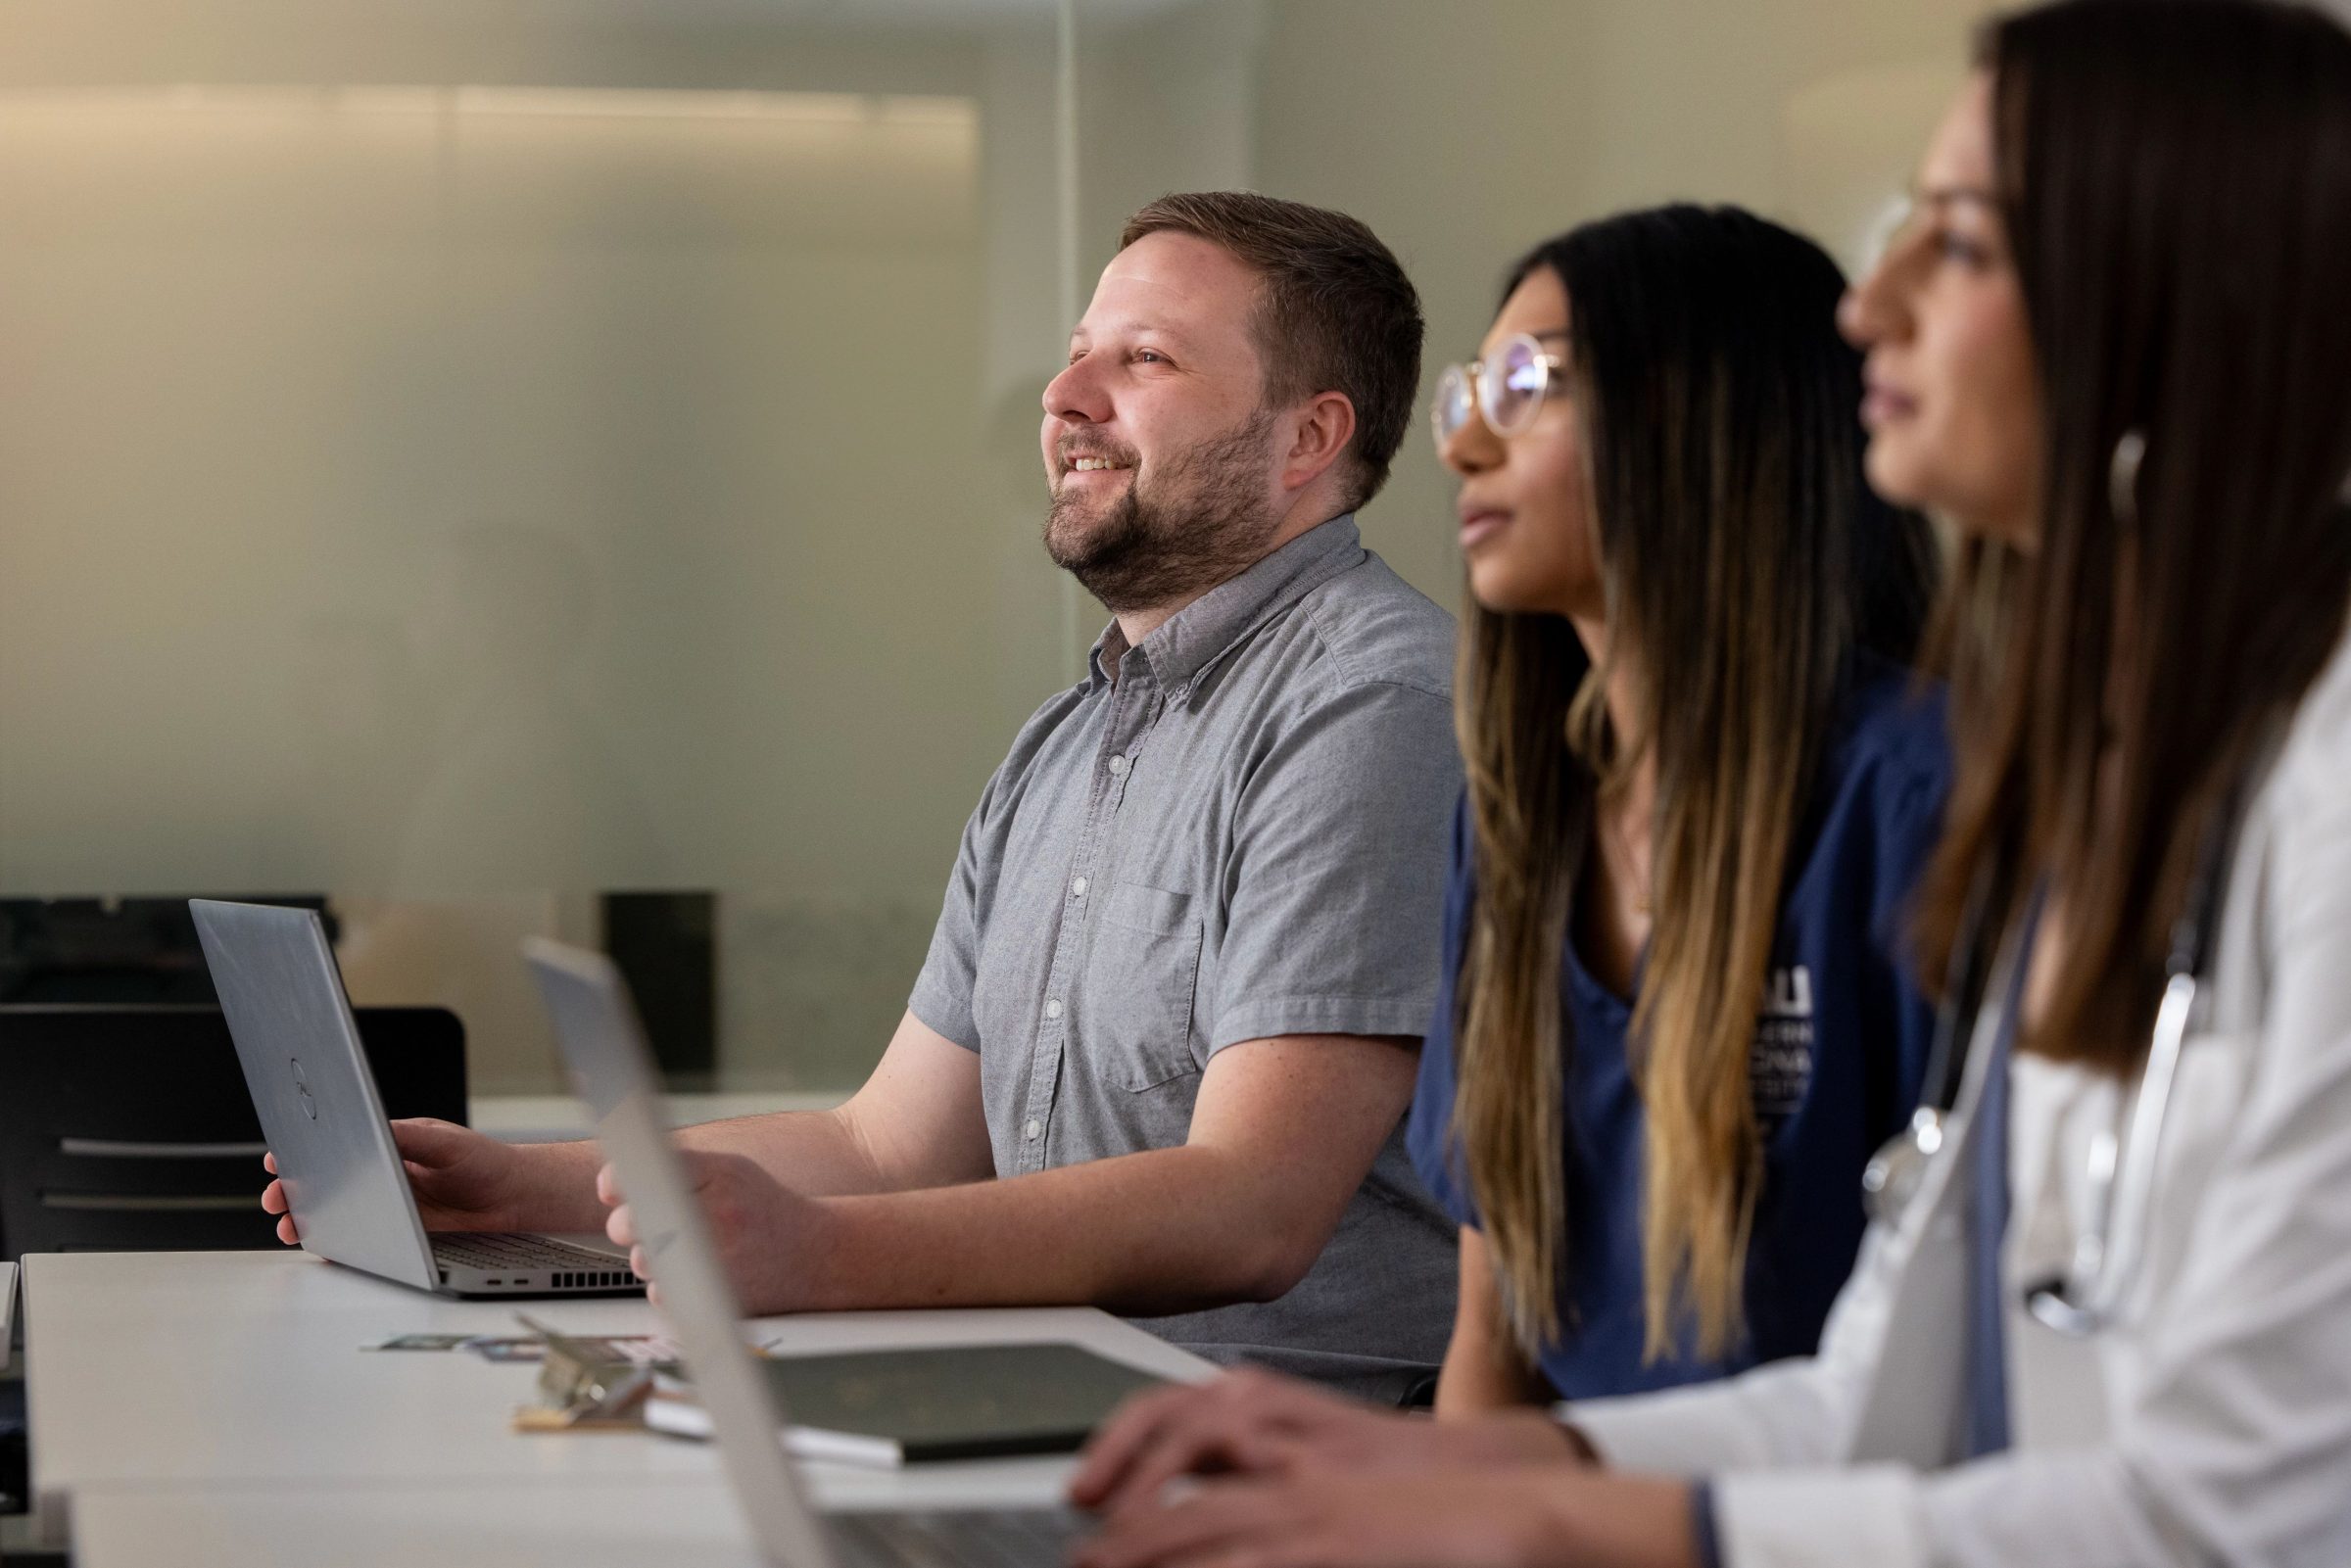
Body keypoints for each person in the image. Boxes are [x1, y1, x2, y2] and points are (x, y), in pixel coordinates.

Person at [1065, 2, 2351, 1562]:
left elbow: (2237, 1508)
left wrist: (1548, 1517)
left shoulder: (2256, 794)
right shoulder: (2115, 784)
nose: (1867, 308)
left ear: (2176, 302)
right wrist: (1444, 1476)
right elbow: (1889, 1391)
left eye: (1950, 244)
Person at [264, 192, 1465, 1400]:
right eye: (1076, 353)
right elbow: (885, 1144)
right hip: (1072, 1409)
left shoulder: (1372, 707)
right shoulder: (1068, 743)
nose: (1066, 397)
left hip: (1296, 1455)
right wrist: (523, 1184)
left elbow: (1249, 1208)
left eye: (1143, 358)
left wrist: (817, 1253)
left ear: (1307, 439)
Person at [1410, 205, 1944, 1416]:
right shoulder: (1510, 823)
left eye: (1523, 381)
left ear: (1702, 413)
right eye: (1468, 391)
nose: (1462, 445)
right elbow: (1492, 1353)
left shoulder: (1915, 798)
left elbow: (1967, 1373)